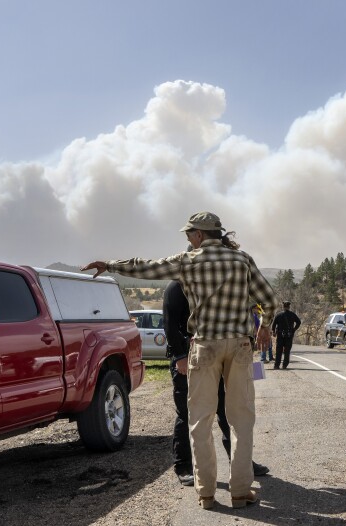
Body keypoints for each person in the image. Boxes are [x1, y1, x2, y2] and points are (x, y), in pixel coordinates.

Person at [83, 211, 278, 510]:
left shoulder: (189, 261)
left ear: (199, 235)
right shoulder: (243, 261)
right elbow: (269, 299)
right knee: (240, 420)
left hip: (204, 346)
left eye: (189, 234)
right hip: (239, 346)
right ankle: (240, 491)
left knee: (199, 421)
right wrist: (264, 327)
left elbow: (145, 268)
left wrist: (110, 265)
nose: (187, 238)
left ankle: (207, 493)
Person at [163, 280, 269, 487]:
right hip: (188, 357)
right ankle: (184, 466)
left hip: (217, 357)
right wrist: (180, 356)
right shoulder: (176, 287)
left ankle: (241, 463)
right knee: (188, 414)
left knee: (228, 411)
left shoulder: (213, 282)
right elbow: (169, 323)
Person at [271, 301, 301, 369]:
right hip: (289, 335)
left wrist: (274, 332)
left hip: (280, 335)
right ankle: (284, 365)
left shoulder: (278, 315)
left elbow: (274, 324)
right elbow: (299, 322)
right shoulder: (292, 314)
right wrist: (294, 329)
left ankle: (276, 365)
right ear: (289, 307)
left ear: (283, 306)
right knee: (287, 351)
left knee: (279, 351)